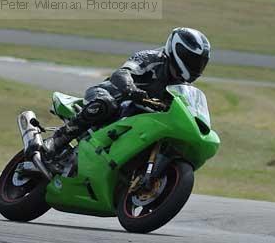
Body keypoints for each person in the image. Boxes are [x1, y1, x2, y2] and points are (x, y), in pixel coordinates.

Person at [43, 27, 211, 158]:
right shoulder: (150, 58)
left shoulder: (181, 86)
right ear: (178, 51)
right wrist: (131, 89)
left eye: (200, 63)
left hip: (138, 116)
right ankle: (58, 139)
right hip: (110, 95)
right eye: (193, 61)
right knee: (105, 104)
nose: (196, 67)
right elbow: (122, 73)